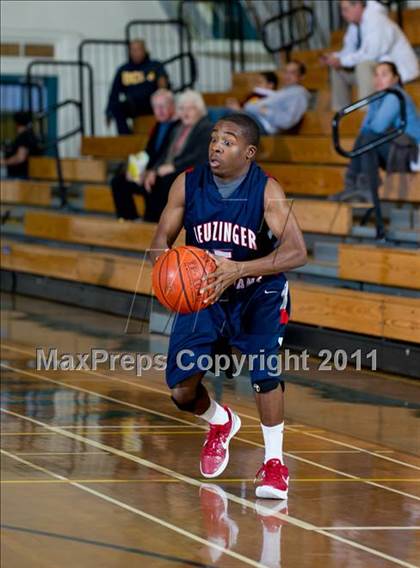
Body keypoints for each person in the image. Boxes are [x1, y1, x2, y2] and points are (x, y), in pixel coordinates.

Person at [150, 113, 307, 499]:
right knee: (182, 393)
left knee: (264, 371)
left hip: (258, 290)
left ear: (249, 152)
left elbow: (297, 251)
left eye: (229, 141)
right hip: (205, 294)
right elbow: (160, 239)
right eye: (215, 138)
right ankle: (220, 422)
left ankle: (274, 465)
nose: (217, 146)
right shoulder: (188, 183)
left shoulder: (267, 190)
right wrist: (169, 271)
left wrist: (240, 269)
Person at [330, 62, 420, 237]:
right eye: (376, 74)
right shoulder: (377, 97)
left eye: (384, 74)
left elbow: (377, 127)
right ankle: (354, 188)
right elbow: (363, 130)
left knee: (369, 138)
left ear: (395, 78)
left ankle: (362, 190)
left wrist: (369, 130)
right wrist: (368, 131)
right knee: (365, 139)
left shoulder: (396, 95)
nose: (379, 78)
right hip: (394, 149)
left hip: (411, 151)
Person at [323, 1, 419, 111]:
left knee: (363, 65)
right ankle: (341, 115)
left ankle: (366, 112)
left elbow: (370, 54)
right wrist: (334, 57)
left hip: (400, 73)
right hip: (377, 73)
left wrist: (342, 61)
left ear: (358, 5)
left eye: (346, 9)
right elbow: (348, 51)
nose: (343, 14)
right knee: (338, 70)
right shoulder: (355, 25)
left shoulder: (375, 19)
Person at [111, 89, 177, 220]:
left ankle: (150, 223)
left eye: (163, 106)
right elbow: (148, 153)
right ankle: (130, 220)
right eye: (156, 107)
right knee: (119, 182)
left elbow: (171, 157)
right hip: (150, 171)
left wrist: (149, 172)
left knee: (154, 184)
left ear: (172, 106)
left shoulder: (179, 126)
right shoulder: (158, 126)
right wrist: (134, 170)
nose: (159, 110)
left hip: (165, 174)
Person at [106, 39, 169, 134]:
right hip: (133, 105)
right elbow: (114, 92)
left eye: (138, 49)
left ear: (145, 50)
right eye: (133, 50)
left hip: (152, 104)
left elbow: (163, 83)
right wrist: (108, 112)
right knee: (116, 107)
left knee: (164, 103)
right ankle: (126, 138)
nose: (135, 53)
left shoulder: (155, 65)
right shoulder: (123, 69)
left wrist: (162, 95)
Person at [242, 60, 310, 134]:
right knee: (230, 115)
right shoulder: (283, 91)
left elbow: (287, 121)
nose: (287, 75)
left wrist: (266, 111)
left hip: (265, 127)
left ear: (302, 76)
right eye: (285, 72)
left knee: (230, 115)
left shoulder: (298, 94)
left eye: (292, 72)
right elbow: (251, 106)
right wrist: (257, 108)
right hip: (257, 119)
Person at [0, 111, 41, 178]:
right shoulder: (28, 135)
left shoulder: (24, 136)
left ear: (16, 123)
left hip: (20, 176)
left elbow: (20, 158)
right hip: (20, 175)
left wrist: (4, 162)